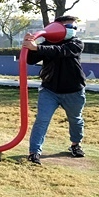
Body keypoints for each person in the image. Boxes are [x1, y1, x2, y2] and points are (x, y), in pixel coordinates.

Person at [23, 14, 86, 166]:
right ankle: (34, 152)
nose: (73, 30)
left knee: (75, 120)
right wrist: (29, 45)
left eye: (74, 27)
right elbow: (30, 59)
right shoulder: (46, 43)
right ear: (58, 27)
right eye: (69, 27)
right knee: (41, 121)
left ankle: (75, 144)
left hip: (74, 90)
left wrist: (37, 47)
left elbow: (62, 51)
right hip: (49, 90)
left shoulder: (76, 42)